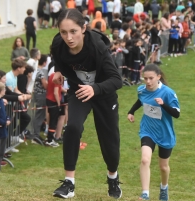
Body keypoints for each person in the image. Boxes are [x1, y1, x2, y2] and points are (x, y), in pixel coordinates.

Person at [51, 8, 122, 199]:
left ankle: (113, 177)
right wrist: (58, 70)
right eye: (64, 32)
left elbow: (117, 80)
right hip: (80, 91)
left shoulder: (97, 48)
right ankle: (69, 183)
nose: (68, 37)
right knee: (72, 127)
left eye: (73, 31)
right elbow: (56, 57)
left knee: (110, 143)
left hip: (104, 95)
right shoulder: (58, 44)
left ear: (83, 28)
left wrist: (95, 88)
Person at [127, 64, 180, 201]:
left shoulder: (168, 93)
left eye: (151, 78)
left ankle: (164, 187)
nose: (148, 82)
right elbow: (141, 100)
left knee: (163, 167)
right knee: (145, 159)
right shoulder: (141, 90)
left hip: (165, 134)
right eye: (145, 78)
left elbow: (176, 114)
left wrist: (163, 104)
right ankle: (145, 193)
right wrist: (131, 111)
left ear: (158, 77)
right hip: (147, 130)